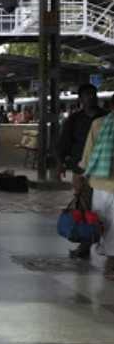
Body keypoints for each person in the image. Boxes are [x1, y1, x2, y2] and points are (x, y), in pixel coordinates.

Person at [58, 84, 108, 259]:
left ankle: (105, 245)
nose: (92, 98)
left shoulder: (106, 117)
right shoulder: (74, 119)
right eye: (87, 95)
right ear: (81, 99)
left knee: (103, 210)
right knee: (84, 207)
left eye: (94, 94)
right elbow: (64, 142)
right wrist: (61, 163)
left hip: (103, 170)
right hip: (81, 169)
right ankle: (85, 244)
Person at [75, 104, 114, 278]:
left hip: (99, 181)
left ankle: (109, 259)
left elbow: (88, 153)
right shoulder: (98, 124)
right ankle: (110, 262)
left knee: (104, 223)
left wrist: (81, 174)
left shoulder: (99, 123)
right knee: (108, 224)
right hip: (103, 183)